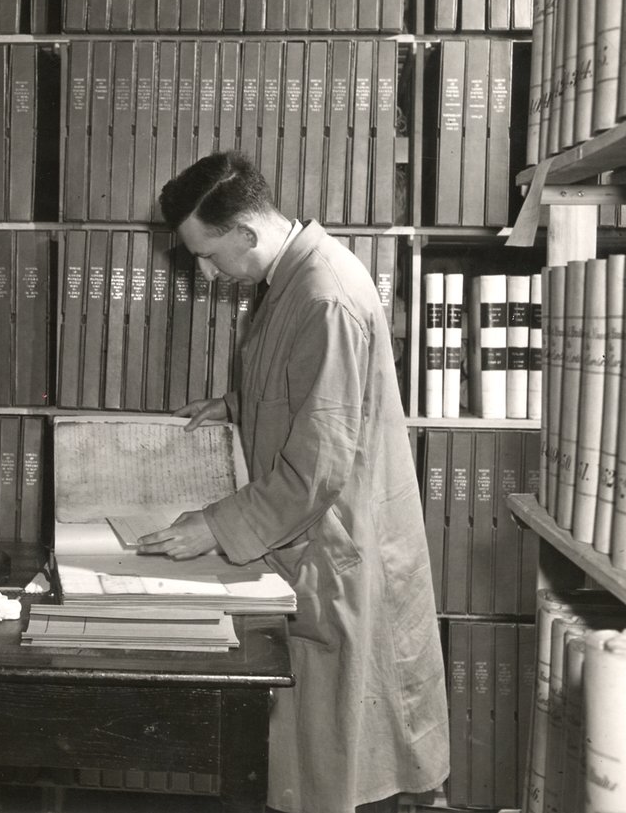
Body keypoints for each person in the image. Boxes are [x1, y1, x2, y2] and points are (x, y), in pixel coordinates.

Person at [138, 152, 450, 813]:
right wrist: (236, 405)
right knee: (311, 757)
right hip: (310, 540)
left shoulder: (324, 292)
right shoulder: (294, 275)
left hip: (335, 548)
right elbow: (308, 387)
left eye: (208, 254)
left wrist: (215, 525)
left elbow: (319, 465)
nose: (204, 271)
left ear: (246, 234)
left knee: (337, 764)